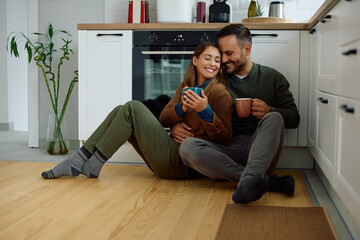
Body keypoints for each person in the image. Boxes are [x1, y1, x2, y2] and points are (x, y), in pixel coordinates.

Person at [41, 41, 233, 180]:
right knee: (120, 110)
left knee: (132, 107)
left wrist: (205, 111)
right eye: (208, 58)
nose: (213, 64)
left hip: (184, 165)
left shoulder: (218, 92)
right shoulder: (186, 86)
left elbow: (225, 139)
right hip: (171, 155)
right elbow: (164, 119)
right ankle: (89, 163)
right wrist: (182, 108)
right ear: (195, 61)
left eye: (217, 60)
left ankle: (82, 161)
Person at [174, 24, 300, 203]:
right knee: (187, 147)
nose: (223, 60)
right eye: (221, 53)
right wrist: (175, 124)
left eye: (229, 53)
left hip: (258, 149)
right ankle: (260, 181)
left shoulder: (273, 78)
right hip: (223, 151)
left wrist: (270, 110)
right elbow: (188, 101)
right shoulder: (216, 79)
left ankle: (254, 176)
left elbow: (294, 117)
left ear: (246, 49)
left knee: (274, 117)